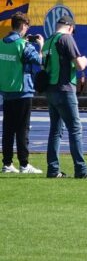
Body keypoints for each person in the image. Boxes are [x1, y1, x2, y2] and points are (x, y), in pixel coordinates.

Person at [40, 13, 87, 179]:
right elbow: (78, 65)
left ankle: (53, 169)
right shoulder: (66, 39)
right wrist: (84, 60)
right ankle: (81, 170)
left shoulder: (48, 41)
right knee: (75, 129)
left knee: (55, 131)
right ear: (70, 27)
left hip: (51, 90)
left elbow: (45, 63)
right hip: (65, 90)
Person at [0, 16, 43, 174]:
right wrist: (41, 45)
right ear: (23, 26)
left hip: (6, 90)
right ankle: (24, 164)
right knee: (22, 129)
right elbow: (39, 60)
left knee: (8, 129)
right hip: (22, 91)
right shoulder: (22, 44)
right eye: (27, 26)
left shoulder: (1, 43)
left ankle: (7, 163)